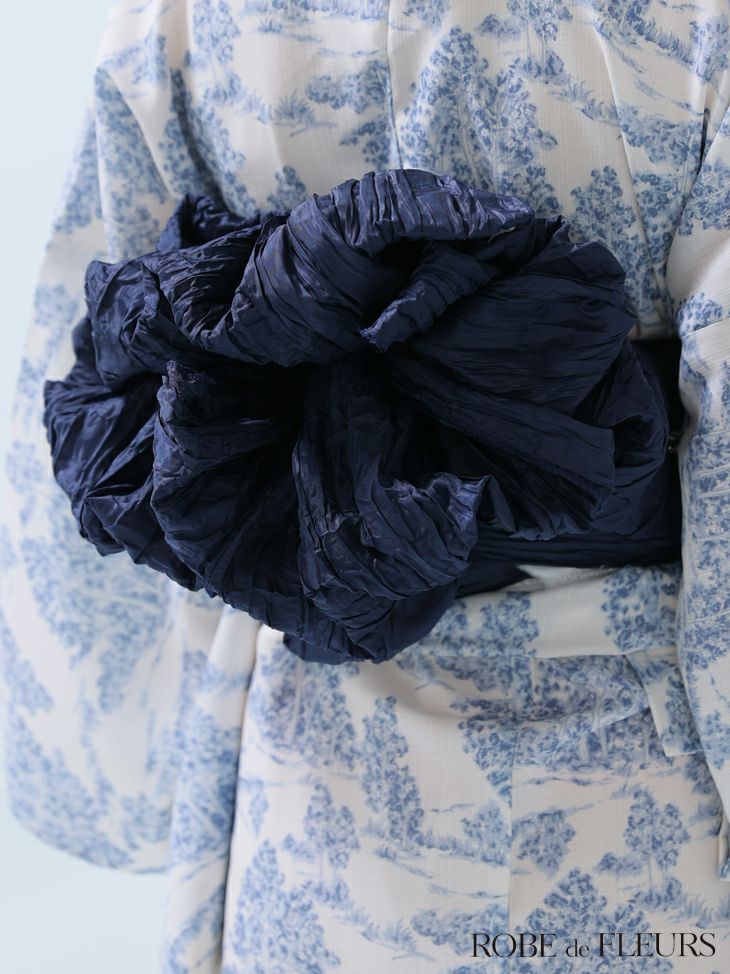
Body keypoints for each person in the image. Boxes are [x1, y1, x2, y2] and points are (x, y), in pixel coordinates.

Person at [2, 1, 730, 971]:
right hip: (638, 796)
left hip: (307, 795)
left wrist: (112, 759)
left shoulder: (187, 14)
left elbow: (128, 349)